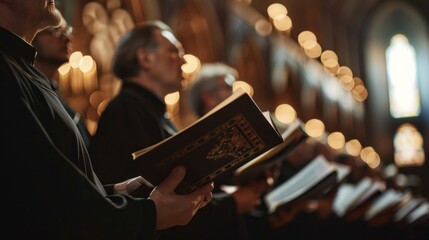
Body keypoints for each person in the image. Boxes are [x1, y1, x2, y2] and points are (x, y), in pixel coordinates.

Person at [1, 1, 213, 239]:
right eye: (173, 51)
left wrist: (118, 190)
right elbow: (45, 206)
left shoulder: (21, 68)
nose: (182, 61)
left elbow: (59, 186)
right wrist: (150, 214)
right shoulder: (6, 72)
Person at [89, 23, 269, 239]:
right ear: (145, 58)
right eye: (174, 51)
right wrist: (231, 204)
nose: (184, 60)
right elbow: (140, 200)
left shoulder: (152, 113)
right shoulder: (127, 110)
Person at [32, 10, 91, 148]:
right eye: (55, 30)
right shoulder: (30, 93)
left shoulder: (53, 91)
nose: (67, 38)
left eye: (67, 30)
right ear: (30, 36)